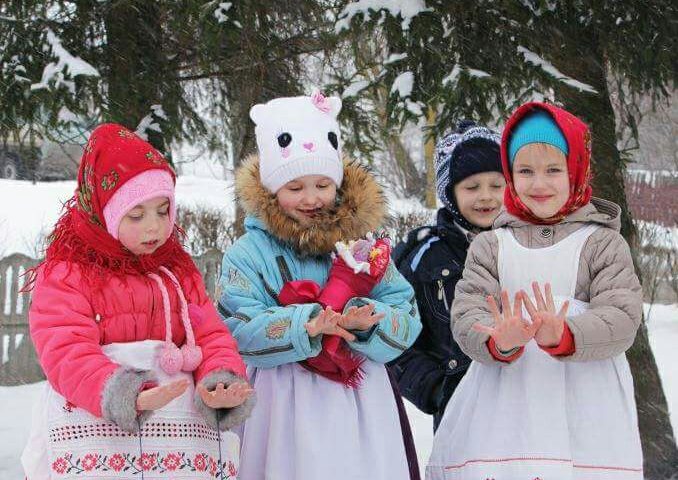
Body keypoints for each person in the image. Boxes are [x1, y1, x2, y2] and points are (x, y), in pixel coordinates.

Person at [21, 124, 254, 480]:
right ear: (104, 211)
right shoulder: (69, 272)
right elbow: (65, 350)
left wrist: (218, 383)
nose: (154, 228)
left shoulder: (177, 270)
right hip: (96, 422)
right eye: (136, 215)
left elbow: (208, 334)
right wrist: (122, 394)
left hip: (178, 440)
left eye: (163, 211)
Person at [427, 102, 643, 479]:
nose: (538, 184)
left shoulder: (602, 244)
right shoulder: (490, 245)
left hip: (586, 409)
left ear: (576, 171)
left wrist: (568, 332)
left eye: (553, 170)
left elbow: (622, 317)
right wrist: (497, 338)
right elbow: (466, 313)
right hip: (503, 409)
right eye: (525, 171)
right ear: (510, 174)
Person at [218, 92, 422, 479]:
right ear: (271, 189)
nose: (311, 199)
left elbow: (406, 314)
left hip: (360, 403)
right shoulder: (248, 253)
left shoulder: (362, 246)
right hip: (280, 404)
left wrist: (370, 323)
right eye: (295, 188)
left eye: (323, 185)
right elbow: (238, 328)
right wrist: (307, 325)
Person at [390, 120, 505, 430]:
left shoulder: (528, 246)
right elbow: (400, 342)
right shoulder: (423, 258)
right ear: (450, 192)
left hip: (527, 413)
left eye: (497, 185)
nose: (486, 197)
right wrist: (438, 390)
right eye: (471, 187)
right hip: (462, 420)